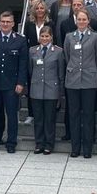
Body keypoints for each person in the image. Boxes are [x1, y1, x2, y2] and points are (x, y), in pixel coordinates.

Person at [0, 11, 28, 153]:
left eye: (8, 22)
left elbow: (23, 63)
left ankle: (11, 142)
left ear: (13, 24)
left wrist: (21, 82)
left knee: (12, 115)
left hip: (11, 84)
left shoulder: (20, 40)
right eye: (3, 21)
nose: (5, 24)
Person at [63, 10, 97, 159]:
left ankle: (87, 148)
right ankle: (75, 147)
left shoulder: (95, 37)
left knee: (88, 115)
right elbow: (67, 56)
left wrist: (91, 69)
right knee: (73, 115)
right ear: (76, 21)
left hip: (89, 80)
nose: (81, 21)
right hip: (73, 80)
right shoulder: (69, 37)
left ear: (88, 21)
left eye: (84, 19)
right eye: (79, 19)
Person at [28, 27, 64, 155]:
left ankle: (49, 144)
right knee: (38, 119)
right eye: (42, 36)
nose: (44, 39)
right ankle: (39, 143)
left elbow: (60, 74)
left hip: (51, 90)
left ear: (51, 37)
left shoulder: (58, 52)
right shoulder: (32, 51)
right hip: (36, 89)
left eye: (47, 36)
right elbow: (30, 70)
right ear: (39, 37)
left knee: (49, 119)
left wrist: (60, 94)